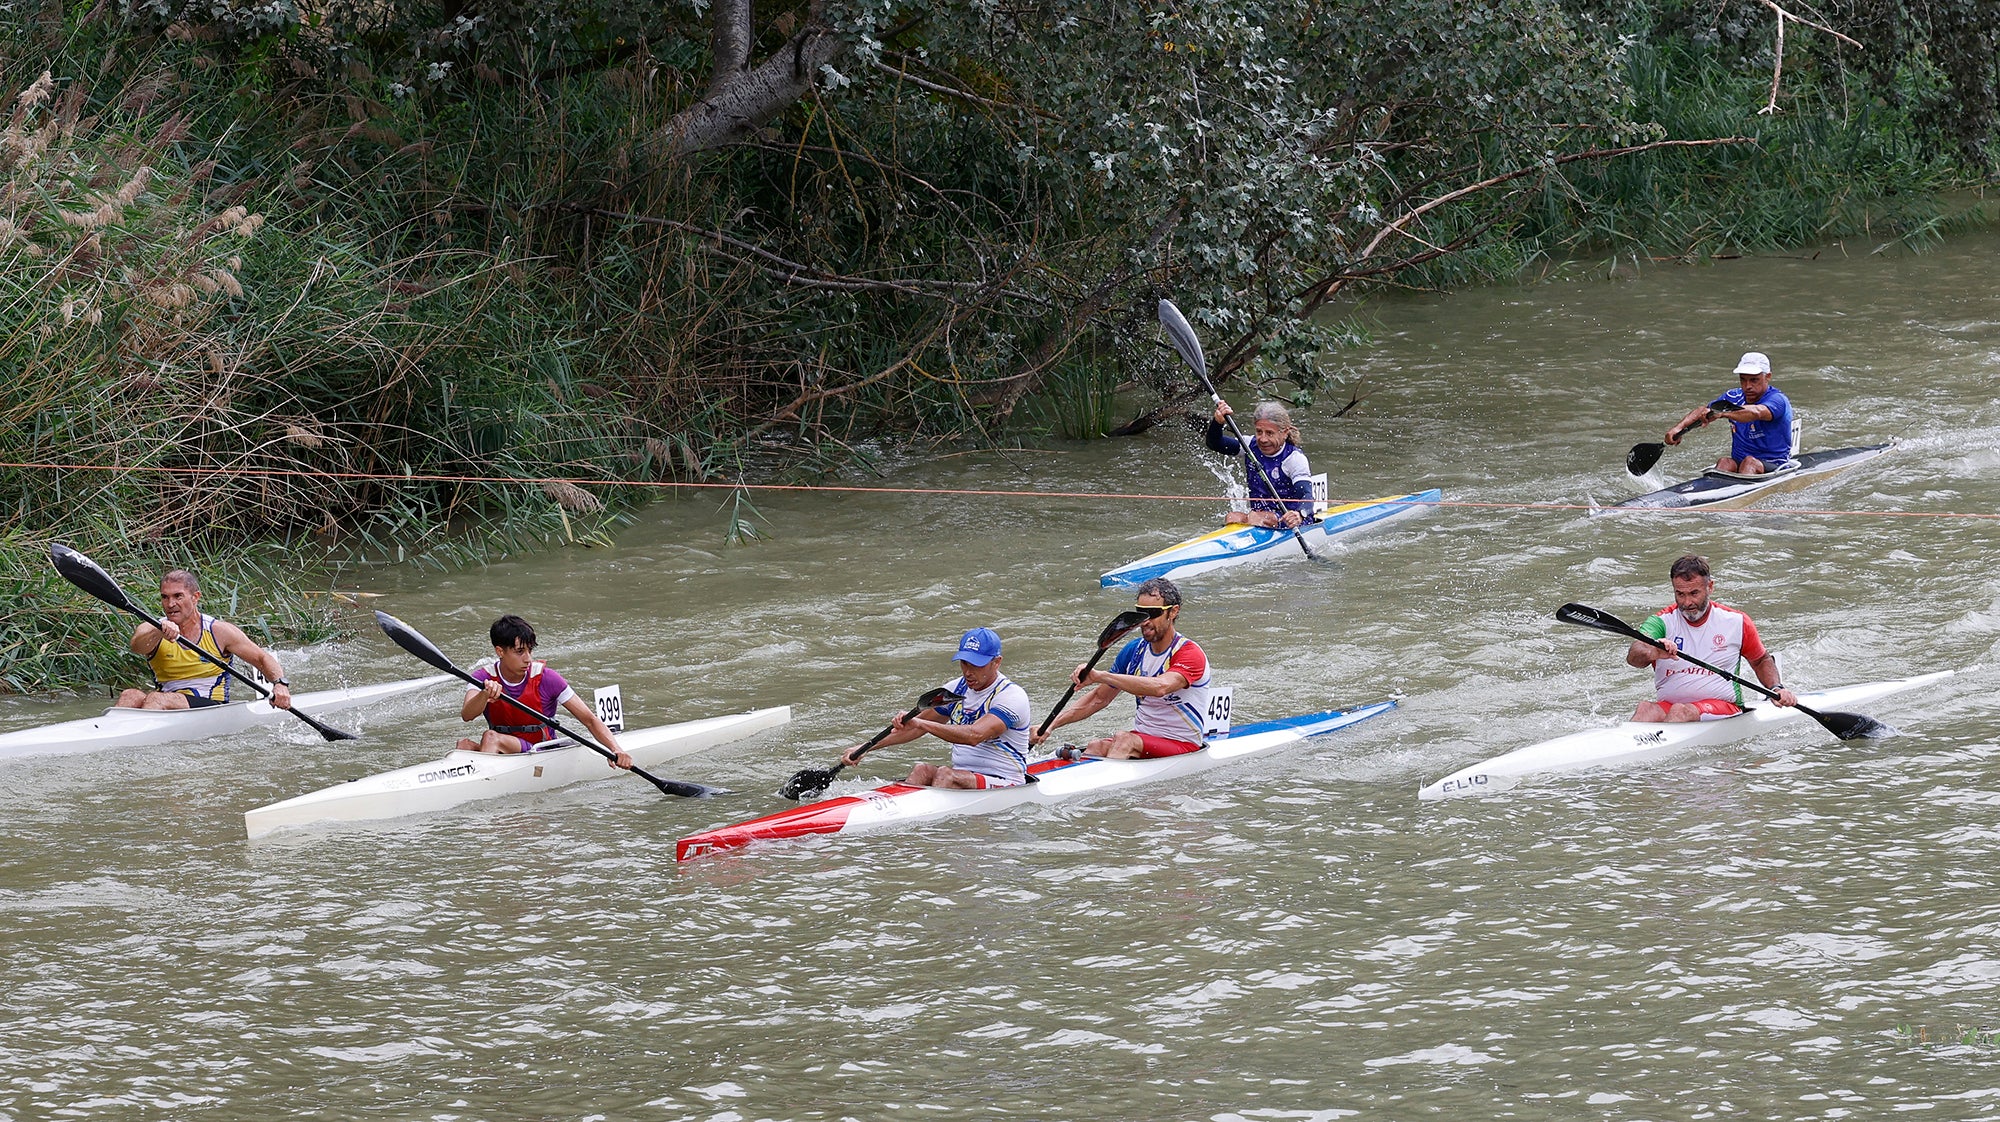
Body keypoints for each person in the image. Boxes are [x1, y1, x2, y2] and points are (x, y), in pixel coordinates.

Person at [1032, 578, 1213, 759]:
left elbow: (1160, 687)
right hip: (1144, 739)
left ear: (1173, 612)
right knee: (1096, 746)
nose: (1145, 621)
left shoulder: (1189, 653)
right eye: (1141, 613)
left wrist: (1101, 676)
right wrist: (1051, 724)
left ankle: (1106, 787)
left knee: (1123, 739)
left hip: (1182, 744)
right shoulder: (1134, 651)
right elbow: (1098, 698)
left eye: (1153, 613)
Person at [837, 627, 1033, 789]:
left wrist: (922, 724)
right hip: (964, 776)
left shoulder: (1011, 697)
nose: (968, 671)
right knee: (921, 769)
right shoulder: (955, 689)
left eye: (976, 664)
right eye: (964, 663)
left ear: (996, 662)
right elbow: (914, 727)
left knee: (945, 774)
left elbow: (974, 735)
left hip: (1005, 782)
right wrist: (865, 748)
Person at [1626, 554, 1798, 722]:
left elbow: (1761, 660)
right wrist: (1653, 652)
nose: (1687, 602)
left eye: (1694, 593)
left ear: (1710, 587)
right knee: (1645, 709)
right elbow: (1634, 656)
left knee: (1680, 711)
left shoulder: (1736, 622)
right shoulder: (1661, 622)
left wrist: (1776, 688)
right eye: (1680, 594)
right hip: (1670, 705)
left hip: (1723, 706)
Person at [459, 614, 631, 769]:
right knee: (463, 746)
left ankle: (489, 788)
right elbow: (467, 715)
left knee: (490, 738)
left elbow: (590, 720)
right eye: (520, 652)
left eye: (529, 650)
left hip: (542, 750)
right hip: (506, 748)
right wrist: (484, 695)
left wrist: (616, 749)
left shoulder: (547, 678)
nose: (528, 658)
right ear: (500, 651)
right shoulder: (482, 677)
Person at [116, 569, 295, 711]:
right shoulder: (152, 628)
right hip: (168, 702)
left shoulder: (219, 631)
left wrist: (280, 685)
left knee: (156, 698)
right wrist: (159, 631)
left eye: (178, 596)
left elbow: (262, 658)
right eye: (165, 597)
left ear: (195, 597)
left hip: (211, 706)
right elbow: (137, 646)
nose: (170, 604)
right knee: (130, 695)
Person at [1663, 351, 1796, 475]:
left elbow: (1756, 412)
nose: (1747, 386)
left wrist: (1723, 413)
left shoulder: (1777, 400)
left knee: (1749, 462)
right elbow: (1703, 411)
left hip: (1774, 465)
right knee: (1724, 462)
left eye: (1754, 380)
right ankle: (1713, 493)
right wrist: (1678, 428)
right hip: (1740, 464)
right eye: (1743, 379)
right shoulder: (1733, 397)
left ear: (1768, 377)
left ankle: (1741, 496)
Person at [1205, 398, 1316, 528]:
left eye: (1269, 433)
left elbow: (1306, 495)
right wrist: (1217, 423)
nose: (1263, 439)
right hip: (1259, 517)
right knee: (1232, 517)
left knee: (1256, 517)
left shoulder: (1294, 458)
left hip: (1291, 520)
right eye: (1259, 431)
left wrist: (1300, 514)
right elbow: (1214, 444)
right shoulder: (1249, 446)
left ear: (1285, 433)